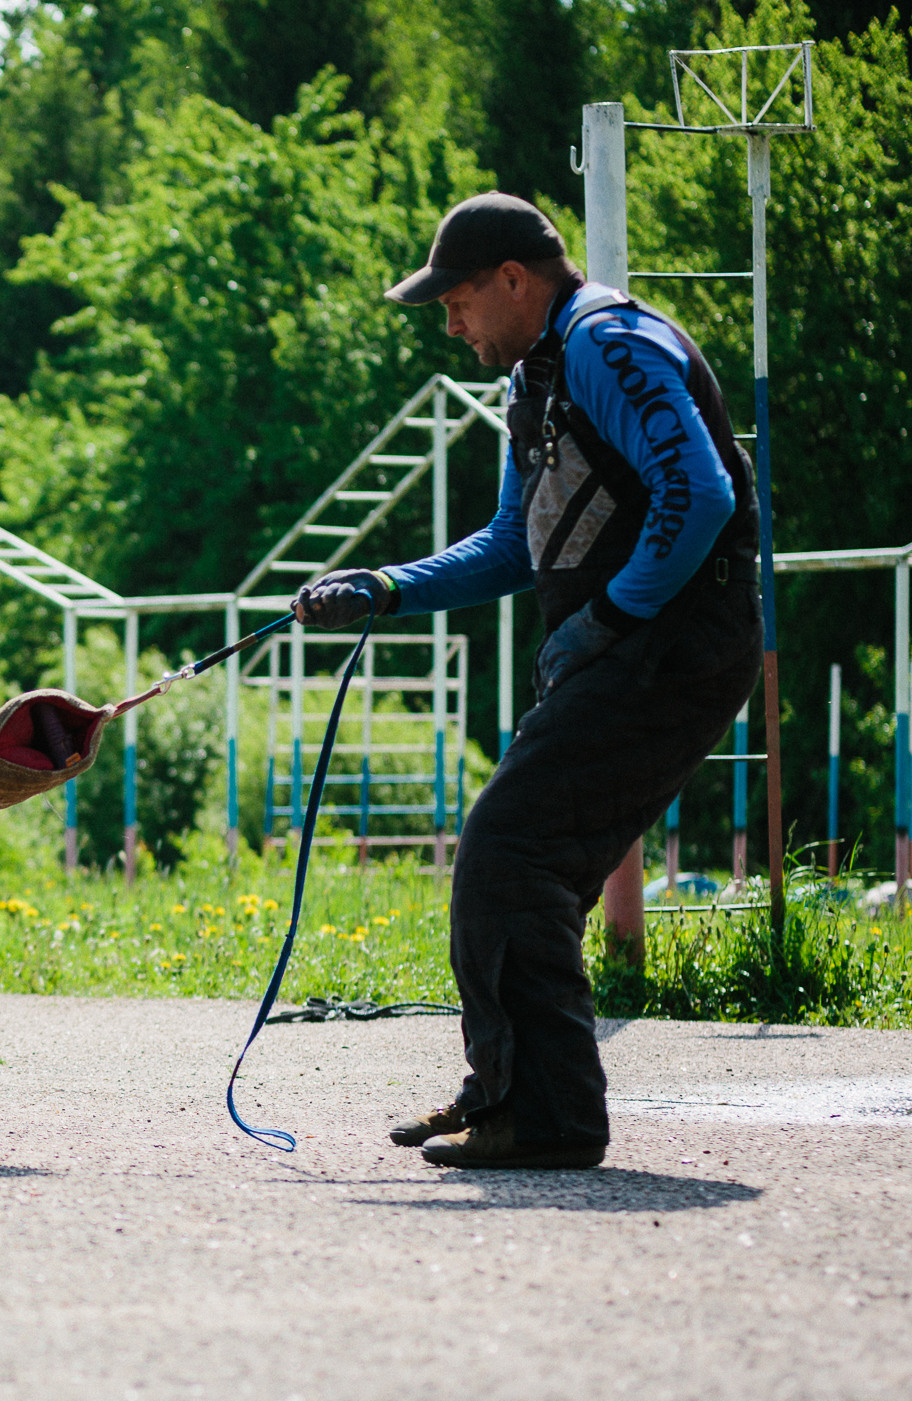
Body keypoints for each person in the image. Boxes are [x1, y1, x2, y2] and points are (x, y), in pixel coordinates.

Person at [294, 193, 760, 1170]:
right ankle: (509, 1093)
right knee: (519, 862)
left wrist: (609, 616)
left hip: (669, 644)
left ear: (514, 279)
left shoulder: (605, 341)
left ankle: (542, 1116)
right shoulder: (534, 375)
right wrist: (382, 588)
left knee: (510, 854)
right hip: (635, 648)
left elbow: (700, 493)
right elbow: (514, 543)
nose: (450, 325)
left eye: (457, 303)